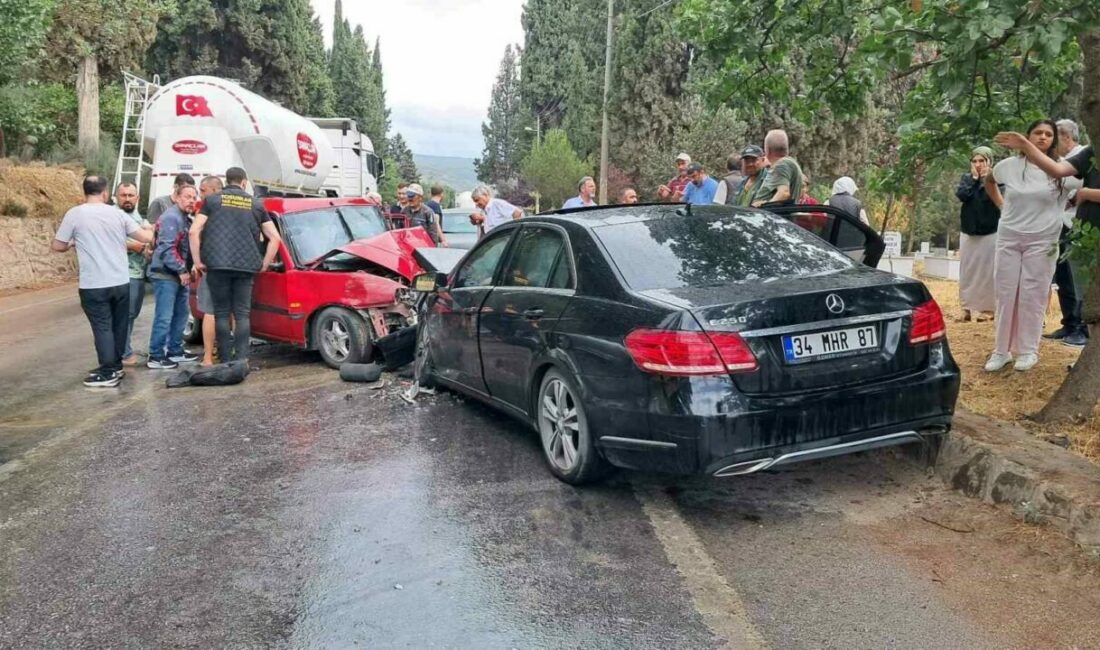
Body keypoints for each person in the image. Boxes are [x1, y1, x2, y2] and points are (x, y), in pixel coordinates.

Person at [982, 120, 1074, 372]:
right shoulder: (1009, 166)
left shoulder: (1062, 169)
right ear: (1028, 136)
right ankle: (1001, 351)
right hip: (1009, 237)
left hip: (1043, 240)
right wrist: (1002, 206)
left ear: (1053, 140)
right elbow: (989, 181)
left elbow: (1080, 192)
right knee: (1005, 293)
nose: (1043, 137)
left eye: (1048, 134)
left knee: (1032, 295)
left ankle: (1028, 350)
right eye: (1037, 133)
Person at [51, 175, 153, 387]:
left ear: (84, 191)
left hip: (94, 283)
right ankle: (116, 366)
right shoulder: (117, 214)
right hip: (121, 281)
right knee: (119, 325)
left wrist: (73, 242)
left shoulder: (75, 214)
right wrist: (150, 228)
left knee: (102, 327)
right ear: (106, 193)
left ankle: (108, 373)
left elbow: (57, 245)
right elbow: (145, 238)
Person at [190, 167, 282, 367]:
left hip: (217, 266)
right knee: (242, 315)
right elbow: (275, 238)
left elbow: (194, 231)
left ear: (227, 181)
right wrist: (265, 263)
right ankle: (241, 360)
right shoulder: (256, 204)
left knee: (221, 313)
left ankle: (224, 359)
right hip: (246, 267)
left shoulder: (212, 201)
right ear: (244, 182)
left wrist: (197, 261)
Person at [1043, 119, 1089, 346]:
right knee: (1063, 277)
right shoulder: (1063, 161)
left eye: (1055, 137)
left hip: (1078, 224)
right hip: (1061, 224)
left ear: (1066, 137)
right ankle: (1069, 322)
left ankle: (1081, 326)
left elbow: (1079, 186)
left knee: (1076, 278)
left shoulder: (1083, 156)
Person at [147, 184, 198, 369]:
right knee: (164, 316)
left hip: (176, 275)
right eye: (187, 197)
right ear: (176, 197)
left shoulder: (184, 218)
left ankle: (175, 351)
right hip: (165, 275)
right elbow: (166, 248)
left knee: (181, 314)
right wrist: (182, 270)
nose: (191, 201)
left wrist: (189, 268)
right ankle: (156, 355)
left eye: (194, 197)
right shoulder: (171, 217)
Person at [954, 147, 1001, 323]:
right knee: (967, 271)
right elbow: (962, 195)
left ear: (989, 161)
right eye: (974, 161)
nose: (978, 164)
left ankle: (988, 309)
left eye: (982, 161)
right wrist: (974, 180)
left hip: (990, 231)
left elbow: (997, 200)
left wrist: (987, 179)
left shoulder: (997, 179)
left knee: (988, 272)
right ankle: (966, 308)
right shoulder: (967, 178)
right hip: (969, 230)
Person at [116, 182, 153, 366]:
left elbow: (148, 238)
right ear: (116, 197)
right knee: (124, 315)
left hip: (138, 273)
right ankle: (122, 353)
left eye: (131, 195)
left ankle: (123, 350)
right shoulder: (112, 216)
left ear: (137, 198)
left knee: (131, 314)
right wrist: (134, 246)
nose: (127, 199)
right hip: (119, 274)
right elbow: (105, 240)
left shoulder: (139, 218)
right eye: (123, 195)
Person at [196, 176, 226, 367]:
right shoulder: (236, 207)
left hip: (212, 265)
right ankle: (230, 353)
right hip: (235, 266)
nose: (200, 194)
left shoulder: (207, 208)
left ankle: (208, 357)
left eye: (203, 190)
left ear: (214, 190)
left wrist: (196, 261)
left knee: (210, 311)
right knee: (234, 312)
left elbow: (194, 232)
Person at [752, 130, 804, 207]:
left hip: (772, 213)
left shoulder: (781, 165)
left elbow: (784, 193)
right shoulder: (791, 163)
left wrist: (764, 206)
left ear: (767, 150)